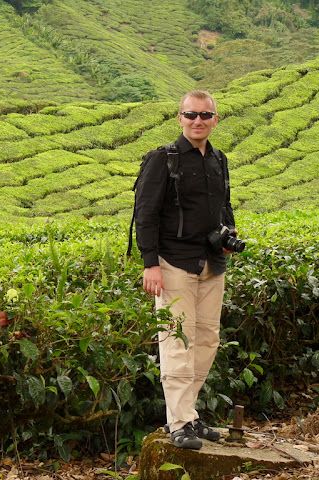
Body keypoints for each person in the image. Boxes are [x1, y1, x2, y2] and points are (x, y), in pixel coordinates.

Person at [134, 90, 236, 450]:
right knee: (177, 341)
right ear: (180, 118)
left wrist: (229, 234)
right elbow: (145, 213)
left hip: (212, 263)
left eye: (205, 115)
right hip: (173, 263)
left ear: (215, 120)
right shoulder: (163, 159)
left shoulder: (219, 160)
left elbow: (225, 206)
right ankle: (179, 423)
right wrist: (150, 263)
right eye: (191, 114)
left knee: (207, 341)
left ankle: (187, 414)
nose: (198, 121)